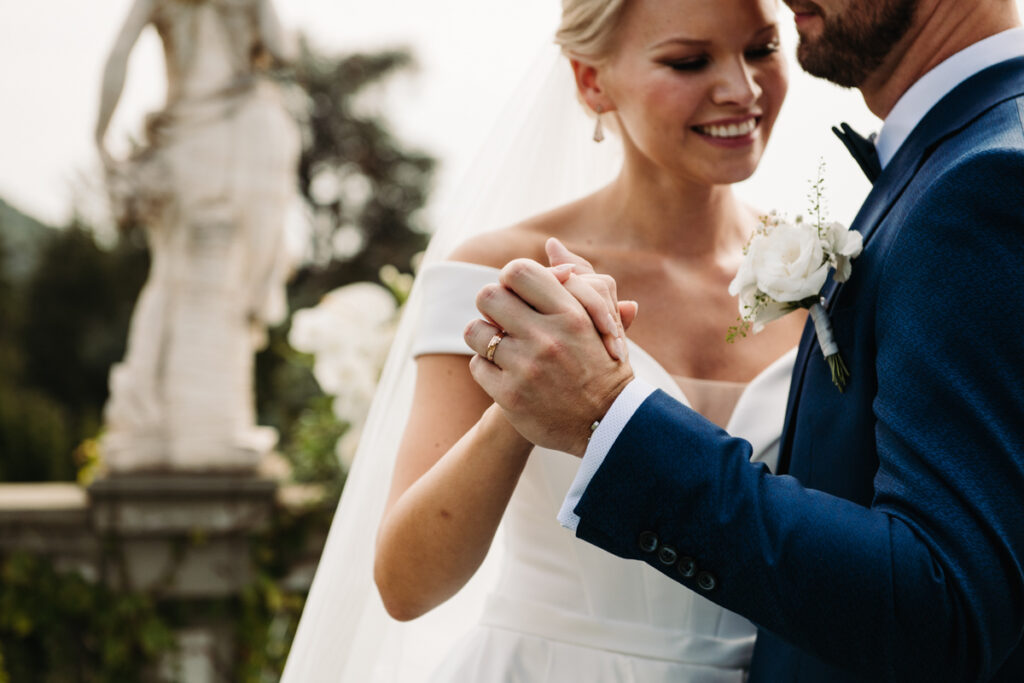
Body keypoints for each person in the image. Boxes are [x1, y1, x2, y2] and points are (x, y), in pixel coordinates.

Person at [464, 0, 1024, 680]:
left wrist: (609, 414)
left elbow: (943, 599)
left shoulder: (979, 178)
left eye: (758, 49)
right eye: (689, 60)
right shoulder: (965, 152)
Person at [282, 0, 805, 680]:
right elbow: (406, 585)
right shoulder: (497, 275)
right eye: (689, 61)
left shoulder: (821, 274)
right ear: (591, 80)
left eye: (762, 48)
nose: (742, 88)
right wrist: (529, 398)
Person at [94, 0, 300, 469]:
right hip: (247, 125)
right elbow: (281, 51)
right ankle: (205, 429)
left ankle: (157, 423)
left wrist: (101, 138)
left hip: (190, 130)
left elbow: (118, 55)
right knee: (224, 279)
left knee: (178, 273)